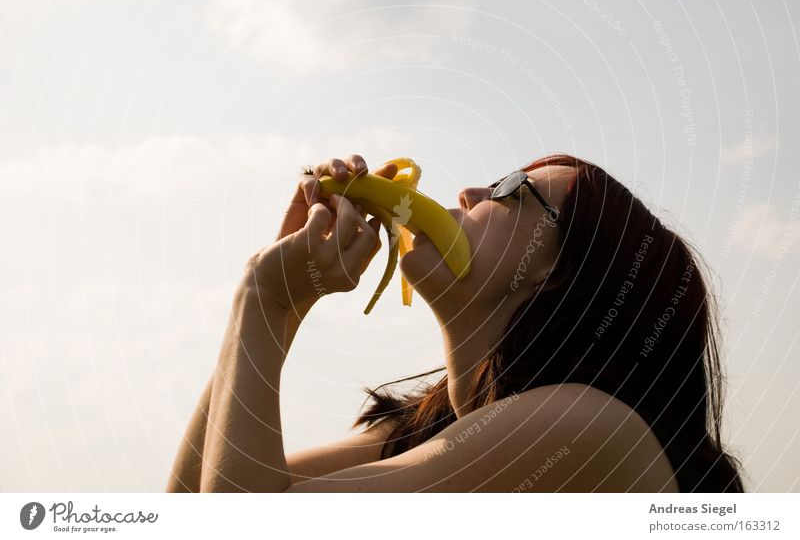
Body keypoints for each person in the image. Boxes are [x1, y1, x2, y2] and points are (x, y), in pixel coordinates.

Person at [166, 153, 745, 492]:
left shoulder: (584, 425)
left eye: (511, 191)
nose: (470, 192)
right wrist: (280, 308)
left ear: (553, 274)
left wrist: (261, 302)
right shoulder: (419, 430)